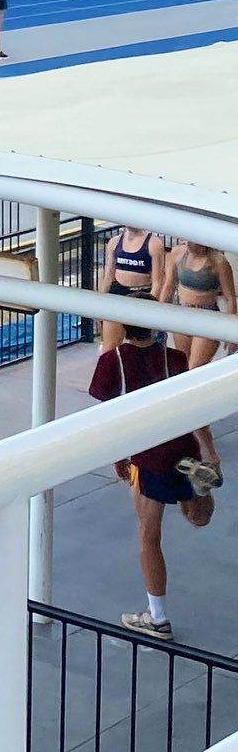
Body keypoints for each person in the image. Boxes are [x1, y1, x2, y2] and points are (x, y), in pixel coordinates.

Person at [90, 321, 218, 640]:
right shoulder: (174, 358)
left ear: (124, 327)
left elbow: (108, 415)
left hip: (147, 454)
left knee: (149, 536)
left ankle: (157, 618)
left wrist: (118, 454)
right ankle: (199, 486)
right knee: (198, 517)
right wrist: (209, 451)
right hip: (182, 445)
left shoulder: (113, 361)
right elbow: (192, 409)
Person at [159, 238, 236, 478]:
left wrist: (231, 332)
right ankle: (194, 429)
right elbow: (168, 286)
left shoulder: (218, 262)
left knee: (192, 377)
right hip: (183, 314)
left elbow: (231, 298)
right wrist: (156, 315)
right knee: (182, 374)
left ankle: (209, 451)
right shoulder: (177, 255)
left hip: (207, 318)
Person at [99, 219, 167, 351]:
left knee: (139, 347)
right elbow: (108, 276)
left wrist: (150, 306)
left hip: (141, 295)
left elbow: (158, 282)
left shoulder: (153, 244)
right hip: (117, 293)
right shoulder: (114, 242)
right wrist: (100, 303)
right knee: (109, 348)